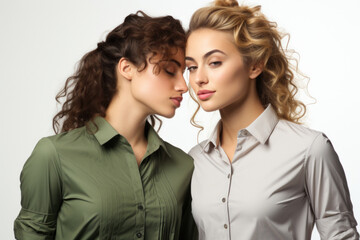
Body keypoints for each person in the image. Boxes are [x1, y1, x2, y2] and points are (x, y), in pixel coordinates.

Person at [14, 11, 196, 240]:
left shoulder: (183, 166)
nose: (183, 86)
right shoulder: (54, 156)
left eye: (184, 72)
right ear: (127, 68)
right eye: (170, 70)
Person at [185, 0, 359, 239]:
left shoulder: (309, 149)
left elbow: (341, 235)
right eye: (191, 67)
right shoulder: (195, 161)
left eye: (214, 62)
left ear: (255, 65)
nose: (199, 79)